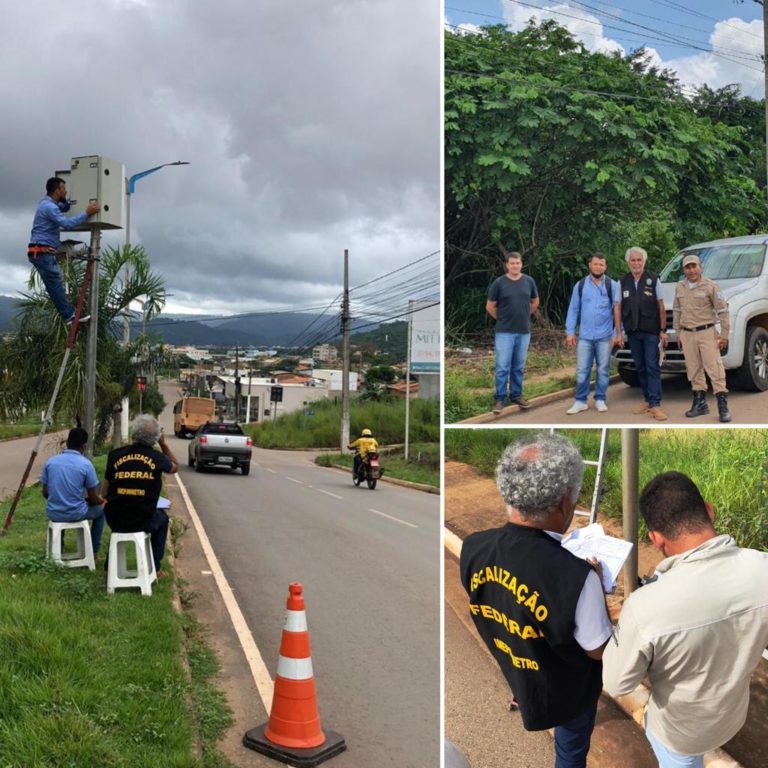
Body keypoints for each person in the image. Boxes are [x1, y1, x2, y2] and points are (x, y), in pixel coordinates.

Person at [460, 434, 612, 768]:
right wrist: (596, 587)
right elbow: (597, 650)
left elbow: (496, 603)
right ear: (564, 503)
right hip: (567, 693)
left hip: (517, 667)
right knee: (570, 751)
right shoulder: (577, 577)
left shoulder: (473, 547)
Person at [603, 471, 768, 767]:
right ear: (709, 510)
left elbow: (616, 683)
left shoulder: (645, 607)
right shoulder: (763, 568)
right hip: (731, 718)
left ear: (656, 539)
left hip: (680, 735)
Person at [102, 414, 179, 573]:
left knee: (120, 525)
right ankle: (155, 568)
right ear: (155, 437)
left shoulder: (115, 455)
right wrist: (163, 444)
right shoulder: (157, 458)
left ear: (134, 433)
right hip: (143, 520)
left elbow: (104, 492)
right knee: (163, 519)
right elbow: (175, 466)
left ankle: (109, 566)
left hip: (115, 519)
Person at [28, 176, 99, 323]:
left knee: (74, 251)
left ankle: (68, 315)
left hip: (43, 250)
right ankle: (69, 316)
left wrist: (65, 199)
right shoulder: (49, 207)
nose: (66, 190)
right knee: (55, 284)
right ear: (57, 190)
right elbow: (66, 224)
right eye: (64, 188)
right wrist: (87, 213)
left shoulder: (47, 203)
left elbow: (65, 208)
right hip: (43, 251)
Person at [672, 253, 731, 422]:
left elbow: (723, 311)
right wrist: (678, 332)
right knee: (694, 369)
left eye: (694, 266)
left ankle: (722, 405)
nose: (691, 271)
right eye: (687, 267)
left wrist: (724, 335)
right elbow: (677, 310)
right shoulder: (680, 287)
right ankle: (700, 403)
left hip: (707, 332)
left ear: (700, 267)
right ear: (684, 270)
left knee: (715, 369)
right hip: (687, 333)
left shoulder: (711, 286)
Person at [564, 253, 622, 414]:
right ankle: (580, 401)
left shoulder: (613, 286)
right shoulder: (581, 285)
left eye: (601, 264)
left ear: (605, 267)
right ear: (590, 265)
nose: (598, 267)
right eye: (595, 264)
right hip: (585, 337)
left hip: (605, 337)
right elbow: (573, 309)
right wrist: (570, 332)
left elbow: (619, 312)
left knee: (603, 369)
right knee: (582, 369)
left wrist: (618, 334)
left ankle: (600, 399)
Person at [486, 251, 540, 414]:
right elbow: (490, 306)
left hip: (524, 331)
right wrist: (502, 319)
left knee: (518, 366)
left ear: (521, 264)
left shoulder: (529, 281)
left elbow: (535, 301)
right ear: (507, 265)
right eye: (512, 263)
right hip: (504, 332)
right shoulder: (499, 283)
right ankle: (500, 399)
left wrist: (524, 315)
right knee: (503, 367)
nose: (515, 266)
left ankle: (516, 395)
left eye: (518, 263)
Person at [618, 246, 668, 421]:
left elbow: (661, 305)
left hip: (650, 331)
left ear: (644, 262)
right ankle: (647, 399)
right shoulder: (622, 281)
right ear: (628, 262)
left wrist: (663, 330)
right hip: (632, 331)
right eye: (633, 260)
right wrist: (618, 331)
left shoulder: (654, 280)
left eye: (639, 260)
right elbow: (618, 307)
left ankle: (655, 404)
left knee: (652, 366)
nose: (636, 263)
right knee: (640, 367)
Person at [40, 427, 105, 556]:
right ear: (84, 446)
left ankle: (58, 550)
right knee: (101, 512)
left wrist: (59, 499)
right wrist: (101, 501)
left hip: (53, 512)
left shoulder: (51, 462)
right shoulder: (86, 464)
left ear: (67, 443)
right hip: (76, 512)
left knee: (61, 509)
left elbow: (45, 492)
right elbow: (93, 497)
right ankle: (93, 551)